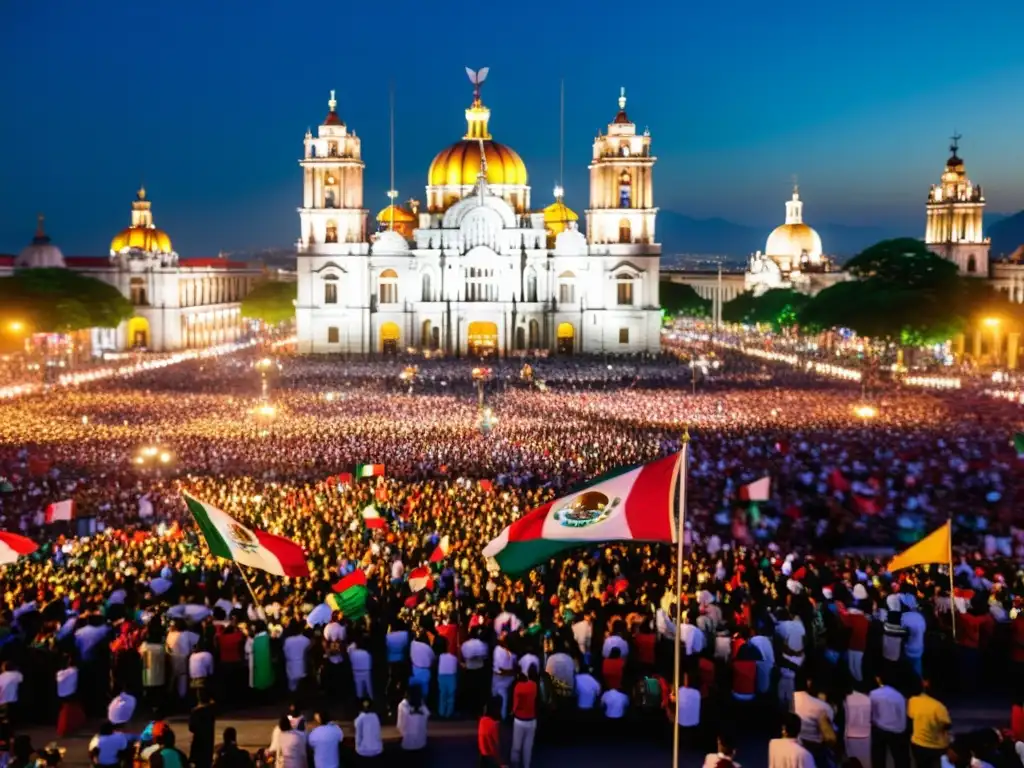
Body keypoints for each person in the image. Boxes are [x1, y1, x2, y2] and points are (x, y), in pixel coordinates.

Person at [908, 678, 951, 768]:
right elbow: (947, 724)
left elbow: (911, 716)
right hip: (937, 747)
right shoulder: (939, 707)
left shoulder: (913, 701)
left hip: (918, 744)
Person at [870, 673, 909, 768]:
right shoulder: (900, 695)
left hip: (879, 728)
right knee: (900, 758)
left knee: (878, 756)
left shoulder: (874, 694)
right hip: (898, 729)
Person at [511, 668, 538, 768]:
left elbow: (515, 705)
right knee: (528, 748)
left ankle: (515, 765)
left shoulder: (518, 687)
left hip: (519, 720)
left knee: (516, 747)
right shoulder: (534, 686)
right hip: (532, 720)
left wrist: (512, 712)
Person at [396, 685, 430, 761]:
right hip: (421, 744)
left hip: (409, 744)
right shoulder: (420, 705)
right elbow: (427, 715)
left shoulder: (402, 705)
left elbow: (400, 725)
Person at [188, 689, 217, 768]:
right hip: (208, 742)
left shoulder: (196, 712)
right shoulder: (211, 710)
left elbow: (191, 728)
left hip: (198, 741)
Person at [479, 696, 504, 768]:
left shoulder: (482, 721)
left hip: (482, 758)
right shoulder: (493, 724)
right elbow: (495, 746)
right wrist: (500, 763)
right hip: (491, 759)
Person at [436, 638, 458, 719]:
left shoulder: (439, 657)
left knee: (442, 695)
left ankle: (441, 712)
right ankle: (449, 713)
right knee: (451, 695)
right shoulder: (454, 658)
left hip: (441, 676)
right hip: (451, 676)